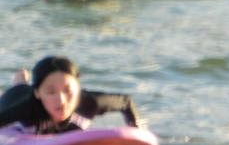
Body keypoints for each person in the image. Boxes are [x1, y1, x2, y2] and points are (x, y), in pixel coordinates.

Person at [0, 56, 142, 134]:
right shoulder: (25, 111)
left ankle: (22, 81)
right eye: (51, 92)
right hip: (17, 96)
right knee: (15, 90)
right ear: (38, 93)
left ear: (78, 88)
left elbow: (125, 101)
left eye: (68, 91)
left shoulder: (90, 103)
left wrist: (136, 129)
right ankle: (20, 81)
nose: (61, 100)